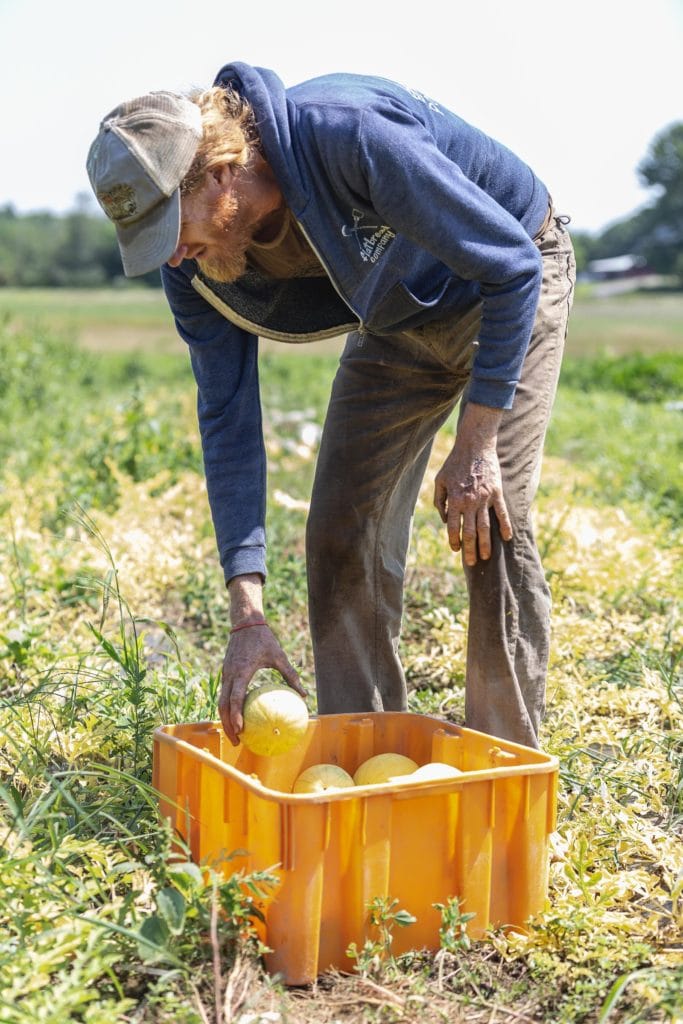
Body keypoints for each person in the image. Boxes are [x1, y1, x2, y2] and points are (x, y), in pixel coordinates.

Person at [87, 63, 575, 751]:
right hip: (396, 317)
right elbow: (227, 417)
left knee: (490, 520)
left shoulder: (350, 136)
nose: (169, 256)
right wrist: (245, 614)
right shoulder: (196, 265)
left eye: (170, 223)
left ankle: (504, 765)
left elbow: (511, 267)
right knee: (340, 529)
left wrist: (476, 444)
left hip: (503, 283)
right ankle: (369, 752)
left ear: (218, 171)